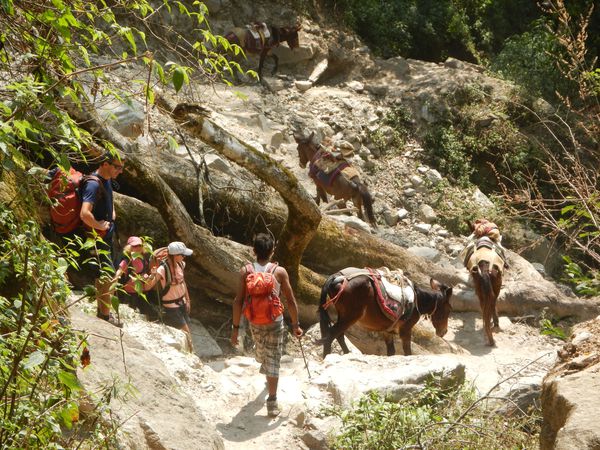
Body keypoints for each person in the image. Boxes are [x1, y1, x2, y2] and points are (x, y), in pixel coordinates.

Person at [230, 233, 303, 418]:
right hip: (275, 322)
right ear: (272, 251)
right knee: (273, 359)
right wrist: (296, 325)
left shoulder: (246, 271)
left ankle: (270, 389)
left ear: (254, 251)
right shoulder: (279, 272)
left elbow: (238, 301)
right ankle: (272, 402)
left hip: (254, 321)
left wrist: (235, 329)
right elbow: (291, 301)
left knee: (262, 354)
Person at [79, 151, 124, 327]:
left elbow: (108, 200)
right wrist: (99, 225)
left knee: (103, 275)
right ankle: (105, 318)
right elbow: (84, 213)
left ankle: (101, 312)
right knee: (109, 276)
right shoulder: (93, 184)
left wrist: (111, 213)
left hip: (106, 236)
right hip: (97, 238)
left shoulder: (106, 181)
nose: (120, 171)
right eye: (117, 167)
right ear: (105, 164)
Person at [145, 241, 194, 350]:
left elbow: (183, 282)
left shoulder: (181, 264)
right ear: (175, 255)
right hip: (171, 307)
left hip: (182, 303)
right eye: (183, 255)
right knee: (186, 332)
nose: (184, 257)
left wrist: (188, 299)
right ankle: (191, 352)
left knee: (185, 329)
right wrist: (152, 275)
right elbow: (147, 287)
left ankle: (187, 351)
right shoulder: (162, 269)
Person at [114, 236, 159, 320]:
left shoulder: (143, 260)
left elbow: (145, 275)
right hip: (128, 294)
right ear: (129, 248)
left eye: (140, 246)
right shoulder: (127, 261)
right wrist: (114, 281)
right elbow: (119, 271)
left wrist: (152, 275)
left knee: (152, 315)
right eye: (135, 246)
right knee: (129, 316)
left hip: (140, 292)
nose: (138, 248)